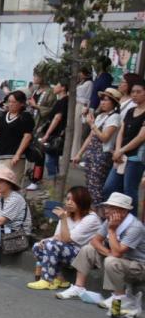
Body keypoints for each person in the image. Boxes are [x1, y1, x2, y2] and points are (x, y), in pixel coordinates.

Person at [56, 192, 144, 318]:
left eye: (112, 207)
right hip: (120, 260)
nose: (107, 210)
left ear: (124, 211)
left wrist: (112, 230)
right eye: (107, 206)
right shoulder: (110, 221)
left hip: (139, 267)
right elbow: (94, 241)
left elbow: (117, 253)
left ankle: (120, 297)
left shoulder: (135, 227)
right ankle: (78, 287)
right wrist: (108, 253)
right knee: (88, 249)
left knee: (111, 261)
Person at [27, 186, 100, 291]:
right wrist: (45, 240)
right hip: (69, 251)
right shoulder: (67, 214)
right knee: (38, 246)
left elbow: (66, 239)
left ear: (83, 201)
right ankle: (60, 278)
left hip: (85, 257)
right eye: (68, 199)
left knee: (51, 245)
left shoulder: (91, 219)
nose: (69, 202)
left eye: (74, 200)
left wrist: (63, 219)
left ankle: (48, 280)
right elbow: (58, 236)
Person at [102, 78, 145, 213]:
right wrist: (118, 150)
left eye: (138, 92)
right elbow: (122, 131)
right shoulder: (131, 110)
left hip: (135, 157)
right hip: (121, 155)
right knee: (109, 187)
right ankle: (114, 216)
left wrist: (121, 150)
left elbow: (141, 137)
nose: (134, 94)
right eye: (133, 92)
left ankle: (131, 220)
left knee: (129, 191)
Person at [73, 88, 123, 206]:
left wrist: (92, 124)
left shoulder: (115, 117)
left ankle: (98, 212)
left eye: (106, 100)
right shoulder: (101, 116)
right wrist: (79, 154)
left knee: (97, 187)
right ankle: (92, 211)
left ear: (114, 103)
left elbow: (104, 137)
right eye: (102, 100)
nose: (102, 102)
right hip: (91, 153)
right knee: (89, 185)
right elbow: (90, 137)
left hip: (102, 155)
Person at [0, 90, 34, 183]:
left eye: (13, 102)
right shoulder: (3, 115)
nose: (10, 104)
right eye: (9, 101)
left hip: (13, 156)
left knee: (11, 183)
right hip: (0, 154)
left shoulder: (25, 116)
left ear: (21, 104)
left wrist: (18, 154)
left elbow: (27, 136)